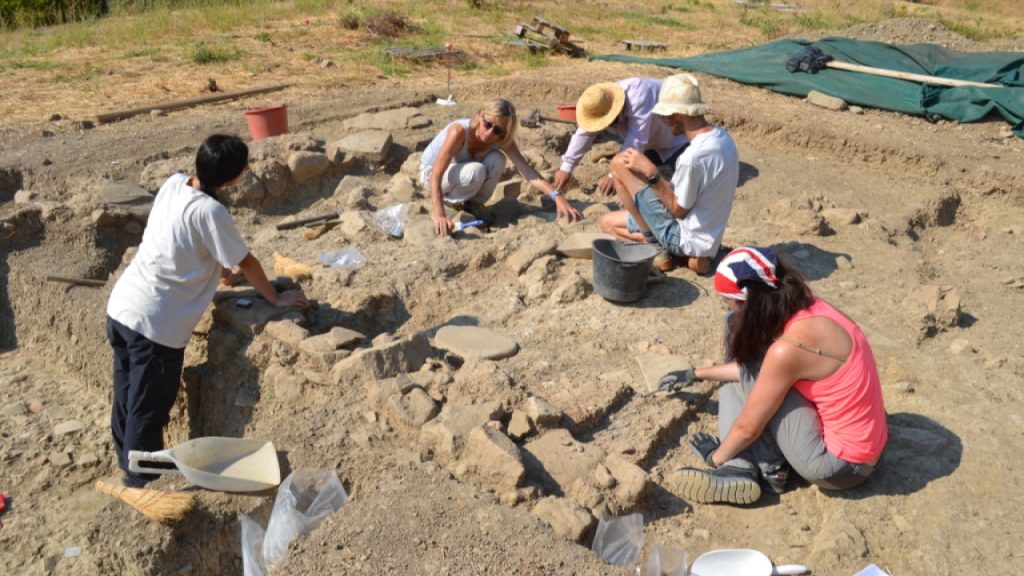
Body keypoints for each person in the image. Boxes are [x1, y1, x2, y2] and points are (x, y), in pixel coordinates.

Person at [105, 134, 309, 487]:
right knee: (147, 409)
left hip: (122, 308)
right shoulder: (210, 210)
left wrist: (221, 272)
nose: (247, 170)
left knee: (126, 395)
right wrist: (274, 299)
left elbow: (186, 241)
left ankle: (127, 464)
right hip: (155, 325)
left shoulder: (174, 184)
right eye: (243, 167)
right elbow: (247, 261)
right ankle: (141, 483)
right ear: (231, 178)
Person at [661, 247, 888, 505]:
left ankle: (750, 466)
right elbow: (748, 372)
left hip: (839, 467)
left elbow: (748, 426)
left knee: (744, 368)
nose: (730, 310)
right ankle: (759, 467)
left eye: (730, 302)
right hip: (867, 448)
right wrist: (696, 374)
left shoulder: (787, 350)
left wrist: (716, 456)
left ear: (750, 303)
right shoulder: (809, 305)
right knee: (740, 360)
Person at [598, 73, 738, 274]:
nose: (662, 121)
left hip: (682, 236)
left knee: (619, 163)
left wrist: (652, 174)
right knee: (608, 223)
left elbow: (677, 210)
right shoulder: (723, 139)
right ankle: (688, 257)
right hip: (709, 236)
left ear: (678, 115)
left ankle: (658, 249)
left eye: (664, 115)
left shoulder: (693, 157)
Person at [420, 98, 581, 236]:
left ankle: (473, 205)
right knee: (476, 171)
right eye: (487, 124)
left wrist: (557, 197)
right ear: (480, 115)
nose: (490, 133)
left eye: (497, 130)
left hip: (458, 174)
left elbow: (527, 171)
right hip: (431, 175)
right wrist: (439, 213)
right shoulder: (459, 132)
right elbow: (436, 173)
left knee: (498, 159)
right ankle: (451, 204)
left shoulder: (502, 140)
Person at [552, 77, 690, 195]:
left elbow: (636, 141)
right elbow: (584, 134)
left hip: (679, 140)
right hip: (652, 144)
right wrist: (566, 168)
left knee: (674, 179)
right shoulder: (600, 103)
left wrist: (614, 175)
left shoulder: (639, 96)